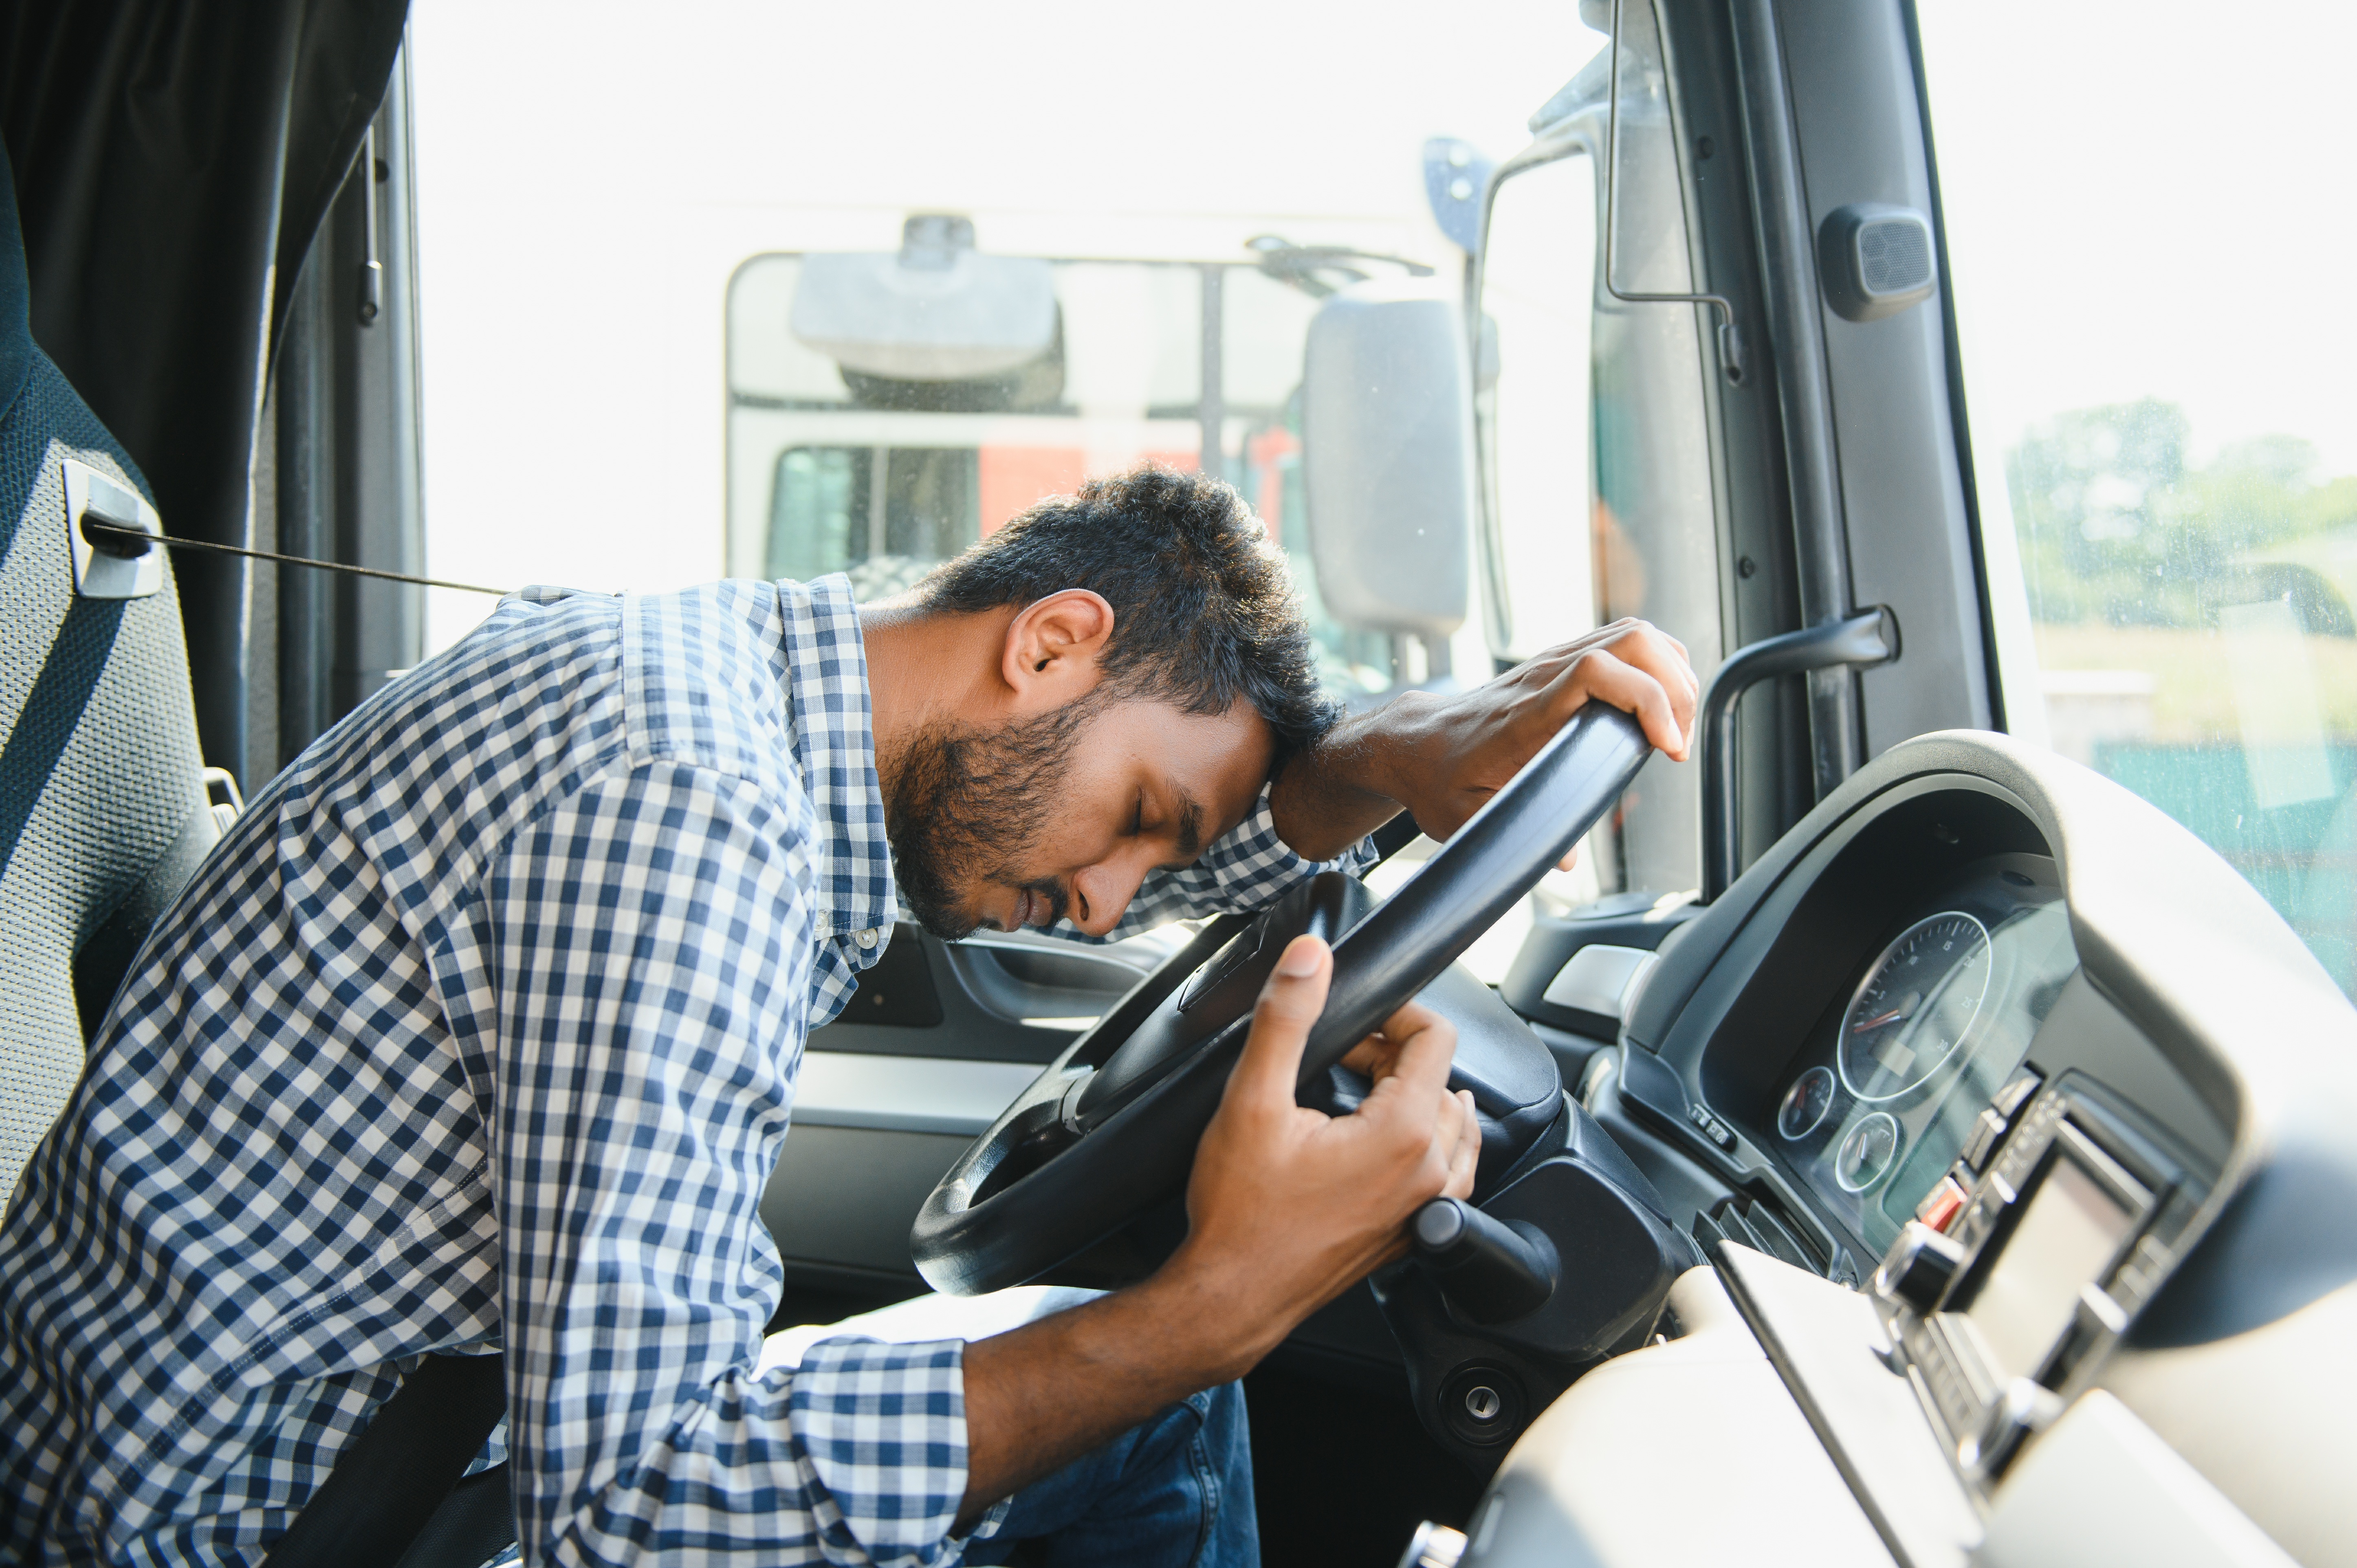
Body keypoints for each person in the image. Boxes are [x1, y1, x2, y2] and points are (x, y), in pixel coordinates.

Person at [0, 465, 1697, 1566]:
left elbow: (1162, 822)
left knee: (1128, 1411)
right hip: (255, 1529)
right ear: (1050, 643)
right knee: (1160, 1399)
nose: (1119, 904)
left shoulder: (726, 692)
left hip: (353, 1445)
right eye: (1144, 825)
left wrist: (1379, 759)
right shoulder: (687, 811)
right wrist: (1209, 1311)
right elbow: (635, 1520)